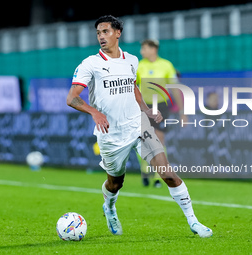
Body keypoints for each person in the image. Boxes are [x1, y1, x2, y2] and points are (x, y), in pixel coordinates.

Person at [67, 15, 212, 238]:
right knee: (115, 182)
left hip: (138, 125)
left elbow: (133, 87)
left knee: (168, 173)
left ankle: (194, 221)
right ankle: (110, 207)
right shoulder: (90, 64)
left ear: (118, 33)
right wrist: (94, 112)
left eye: (105, 31)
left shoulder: (132, 61)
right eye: (98, 33)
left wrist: (146, 110)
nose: (101, 36)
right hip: (111, 134)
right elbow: (72, 98)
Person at [137, 39, 187, 188]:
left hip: (161, 106)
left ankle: (159, 177)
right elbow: (133, 88)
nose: (141, 52)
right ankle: (145, 170)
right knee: (144, 139)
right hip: (144, 106)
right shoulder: (139, 66)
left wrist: (183, 111)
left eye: (144, 48)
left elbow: (175, 88)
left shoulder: (166, 65)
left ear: (153, 49)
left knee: (160, 139)